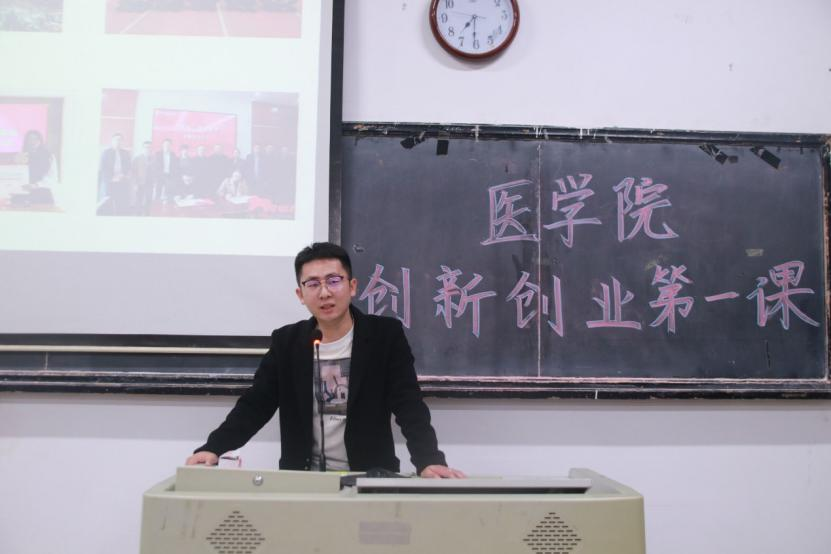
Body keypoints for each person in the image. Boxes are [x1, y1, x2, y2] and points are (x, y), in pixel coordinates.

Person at [187, 242, 464, 478]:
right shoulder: (287, 342)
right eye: (313, 284)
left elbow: (408, 404)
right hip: (303, 480)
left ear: (352, 286)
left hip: (369, 476)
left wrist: (428, 460)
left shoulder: (383, 336)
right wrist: (213, 447)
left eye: (333, 281)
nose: (324, 292)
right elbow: (255, 405)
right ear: (300, 294)